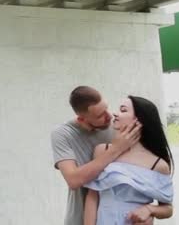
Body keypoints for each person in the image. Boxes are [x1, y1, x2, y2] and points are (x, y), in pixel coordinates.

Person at [51, 86, 145, 225]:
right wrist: (117, 149)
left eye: (106, 108)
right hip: (80, 219)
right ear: (82, 119)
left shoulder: (117, 126)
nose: (109, 116)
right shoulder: (63, 134)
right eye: (100, 116)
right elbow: (73, 180)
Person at [83, 96, 174, 225]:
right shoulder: (103, 150)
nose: (115, 113)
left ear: (139, 119)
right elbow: (92, 196)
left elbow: (168, 209)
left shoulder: (158, 164)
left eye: (123, 110)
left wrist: (149, 209)